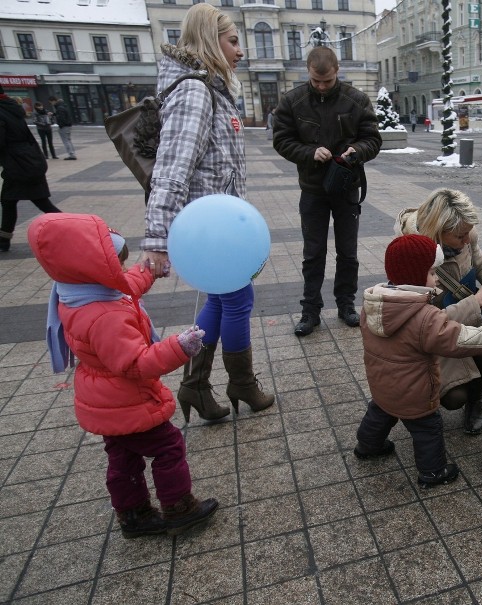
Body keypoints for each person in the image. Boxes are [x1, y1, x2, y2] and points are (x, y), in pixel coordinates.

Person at [28, 213, 218, 538]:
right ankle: (179, 507)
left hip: (103, 399)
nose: (119, 272)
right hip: (127, 401)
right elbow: (136, 363)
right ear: (95, 268)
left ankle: (133, 515)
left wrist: (148, 268)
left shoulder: (77, 292)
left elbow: (126, 286)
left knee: (123, 456)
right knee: (169, 446)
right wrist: (178, 346)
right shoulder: (106, 315)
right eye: (115, 264)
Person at [142, 2, 274, 422]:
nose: (240, 50)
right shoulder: (194, 91)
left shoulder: (210, 88)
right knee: (238, 300)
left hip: (219, 226)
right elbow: (171, 170)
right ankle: (241, 383)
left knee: (222, 301)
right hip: (208, 231)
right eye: (233, 40)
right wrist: (158, 240)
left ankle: (195, 386)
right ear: (208, 40)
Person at [354, 234, 482, 487]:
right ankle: (433, 472)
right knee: (427, 429)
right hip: (414, 393)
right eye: (431, 272)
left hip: (381, 385)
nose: (436, 277)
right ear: (416, 276)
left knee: (380, 412)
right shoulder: (424, 317)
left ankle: (367, 447)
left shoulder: (373, 304)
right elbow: (458, 339)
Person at [272, 46, 382, 337]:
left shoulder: (356, 100)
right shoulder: (292, 101)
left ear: (337, 72)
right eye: (316, 81)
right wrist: (309, 152)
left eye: (328, 81)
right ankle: (310, 311)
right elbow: (282, 140)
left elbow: (373, 139)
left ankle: (346, 305)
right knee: (313, 252)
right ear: (308, 71)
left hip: (346, 187)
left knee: (348, 252)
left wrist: (355, 151)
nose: (321, 86)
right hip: (312, 189)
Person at [396, 188, 482, 434]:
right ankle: (434, 404)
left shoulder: (466, 234)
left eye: (468, 233)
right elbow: (423, 321)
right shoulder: (409, 253)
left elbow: (481, 261)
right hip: (435, 329)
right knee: (453, 398)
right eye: (460, 236)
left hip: (468, 315)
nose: (467, 239)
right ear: (437, 231)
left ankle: (476, 401)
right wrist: (477, 300)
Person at [0, 84, 62, 252]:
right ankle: (3, 239)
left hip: (18, 165)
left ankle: (76, 228)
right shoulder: (12, 108)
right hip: (28, 161)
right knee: (11, 201)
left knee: (31, 202)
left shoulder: (2, 111)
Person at [48, 96, 76, 160]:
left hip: (64, 126)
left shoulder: (59, 108)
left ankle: (71, 155)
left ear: (53, 101)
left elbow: (61, 118)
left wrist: (60, 125)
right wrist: (54, 114)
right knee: (68, 140)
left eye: (50, 102)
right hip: (68, 125)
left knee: (66, 141)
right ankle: (72, 153)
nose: (51, 104)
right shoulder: (62, 105)